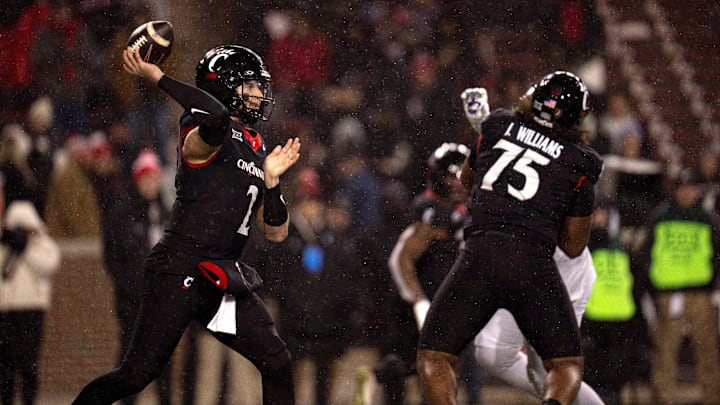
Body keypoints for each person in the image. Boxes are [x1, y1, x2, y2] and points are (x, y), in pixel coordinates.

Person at [71, 43, 301, 404]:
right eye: (250, 85)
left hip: (221, 274)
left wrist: (272, 184)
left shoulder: (257, 146)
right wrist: (159, 78)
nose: (259, 94)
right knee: (136, 374)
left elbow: (276, 232)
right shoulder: (199, 128)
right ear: (224, 86)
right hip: (178, 269)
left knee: (276, 360)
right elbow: (217, 119)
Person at [416, 71, 603, 405]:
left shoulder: (497, 125)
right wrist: (544, 209)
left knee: (435, 354)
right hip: (534, 262)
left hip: (482, 253)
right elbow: (574, 244)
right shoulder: (580, 164)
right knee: (564, 365)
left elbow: (469, 178)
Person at [360, 142, 481, 405]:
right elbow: (401, 259)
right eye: (453, 175)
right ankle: (377, 377)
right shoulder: (431, 210)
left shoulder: (461, 209)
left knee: (439, 371)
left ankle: (379, 376)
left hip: (445, 303)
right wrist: (419, 301)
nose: (460, 182)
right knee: (421, 371)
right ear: (439, 176)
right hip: (422, 306)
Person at [642, 168, 720, 405]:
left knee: (707, 352)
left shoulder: (708, 219)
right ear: (675, 190)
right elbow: (647, 254)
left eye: (691, 188)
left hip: (700, 294)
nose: (687, 193)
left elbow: (716, 255)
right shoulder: (660, 216)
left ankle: (713, 398)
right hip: (669, 293)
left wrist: (712, 284)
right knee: (666, 352)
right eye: (682, 188)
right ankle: (664, 400)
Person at [0, 200, 61, 405]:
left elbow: (49, 265)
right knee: (5, 364)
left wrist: (24, 247)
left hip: (31, 311)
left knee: (28, 363)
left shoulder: (43, 245)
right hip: (6, 310)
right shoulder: (4, 246)